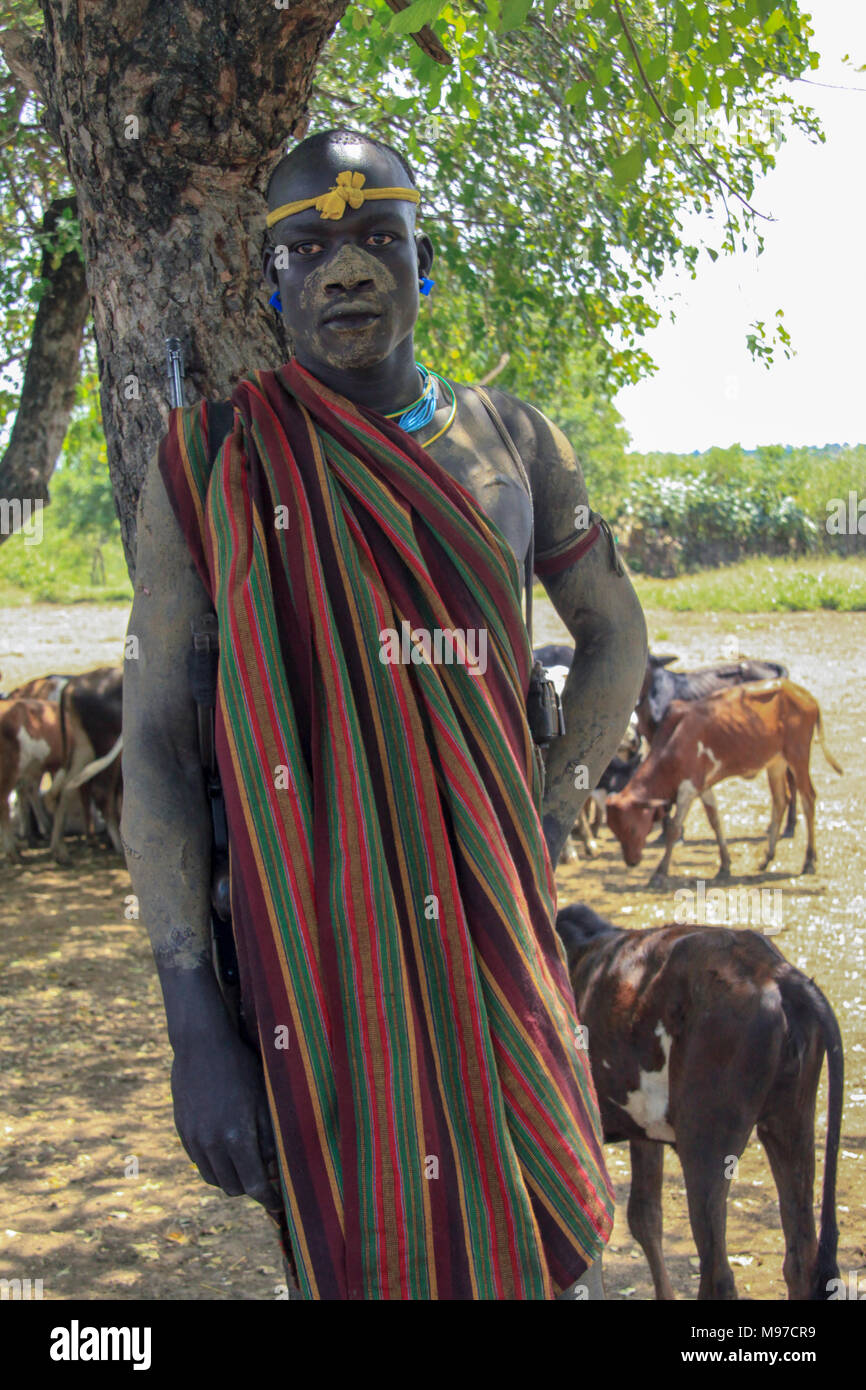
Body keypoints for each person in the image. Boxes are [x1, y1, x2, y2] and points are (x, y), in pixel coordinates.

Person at [121, 127, 647, 1300]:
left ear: (426, 262)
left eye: (375, 239)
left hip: (493, 919)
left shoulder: (513, 445)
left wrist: (548, 807)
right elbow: (156, 740)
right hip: (308, 941)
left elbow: (615, 634)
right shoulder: (213, 462)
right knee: (348, 1241)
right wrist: (190, 1016)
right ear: (271, 282)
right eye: (308, 247)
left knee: (531, 1211)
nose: (344, 270)